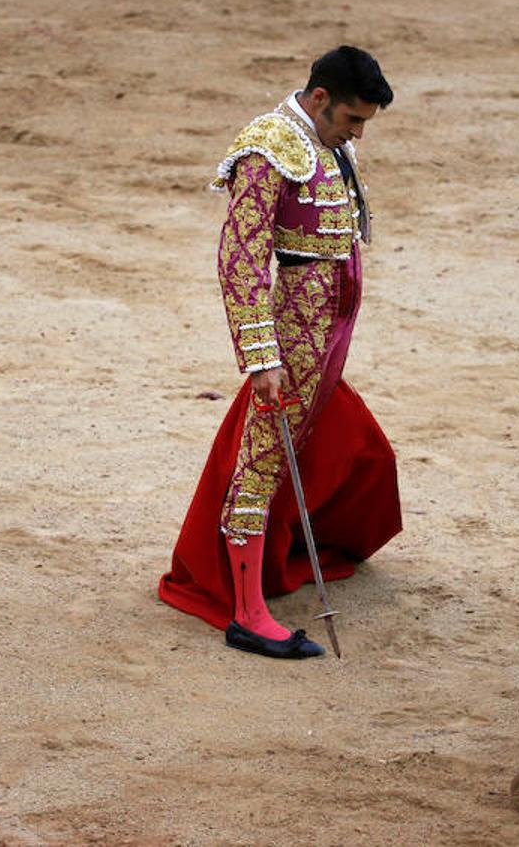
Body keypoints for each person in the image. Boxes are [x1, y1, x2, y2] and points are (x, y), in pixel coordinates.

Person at [158, 46, 403, 659]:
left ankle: (272, 562)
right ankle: (245, 611)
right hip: (294, 333)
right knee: (264, 455)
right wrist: (262, 356)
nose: (358, 133)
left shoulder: (327, 140)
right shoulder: (268, 146)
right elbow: (239, 258)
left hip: (327, 329)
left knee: (303, 444)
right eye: (353, 119)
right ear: (320, 98)